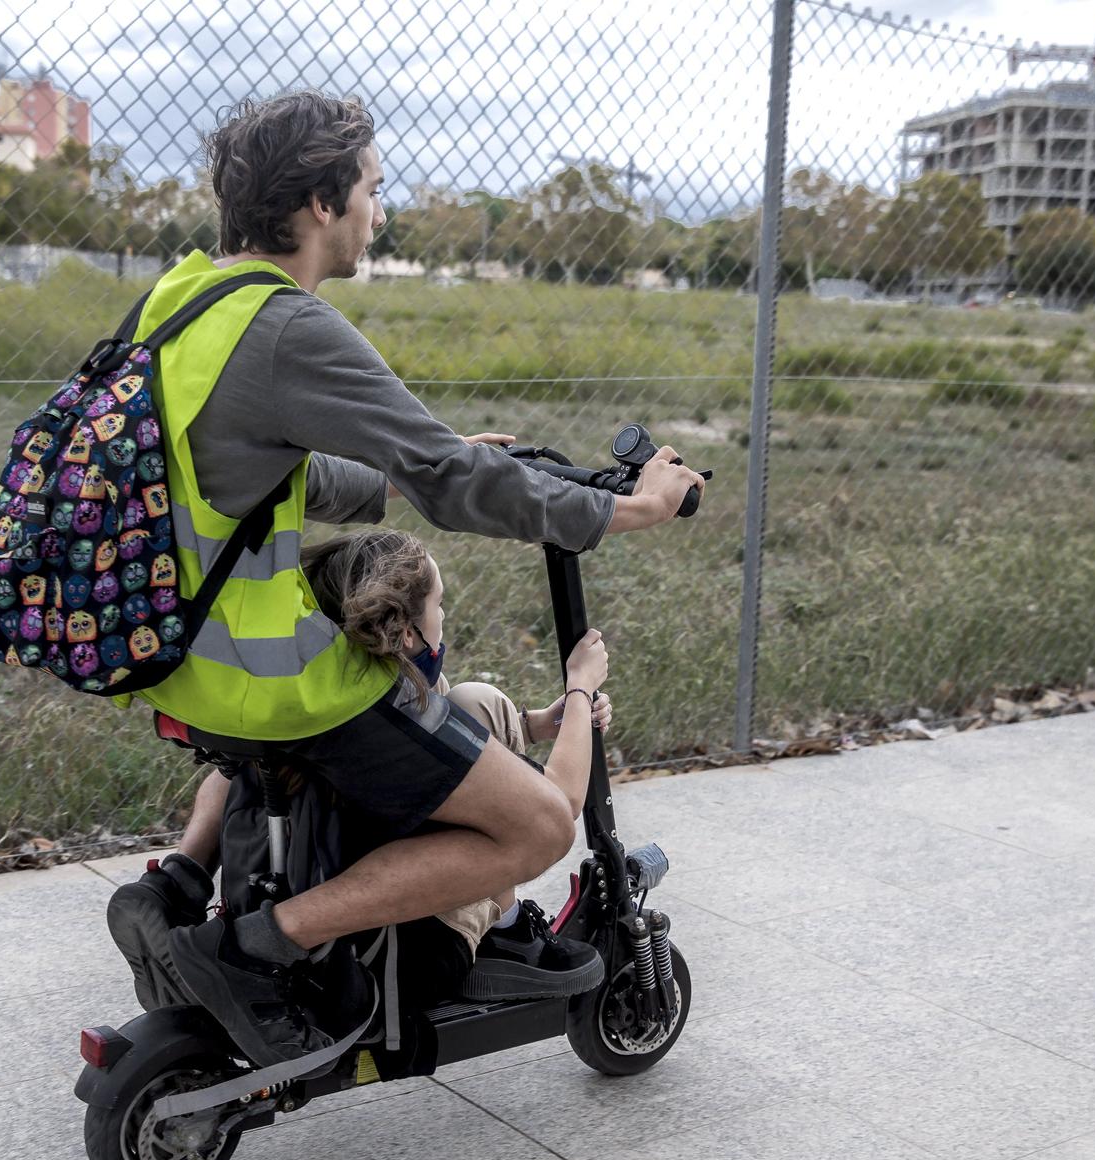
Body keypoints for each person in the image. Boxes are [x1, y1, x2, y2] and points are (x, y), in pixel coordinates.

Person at [106, 90, 704, 1066]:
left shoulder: (182, 302)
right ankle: (258, 946)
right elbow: (454, 482)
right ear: (318, 203)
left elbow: (256, 465)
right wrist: (626, 509)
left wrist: (398, 466)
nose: (378, 211)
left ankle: (199, 893)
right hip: (280, 689)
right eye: (372, 190)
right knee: (538, 826)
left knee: (452, 718)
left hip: (181, 666)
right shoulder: (286, 325)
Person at [109, 529, 612, 1014]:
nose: (444, 615)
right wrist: (580, 688)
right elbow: (558, 809)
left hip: (323, 891)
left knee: (473, 701)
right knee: (518, 813)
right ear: (408, 631)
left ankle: (179, 881)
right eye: (439, 605)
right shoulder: (403, 723)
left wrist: (537, 725)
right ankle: (501, 932)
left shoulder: (327, 686)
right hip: (404, 953)